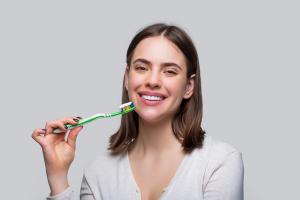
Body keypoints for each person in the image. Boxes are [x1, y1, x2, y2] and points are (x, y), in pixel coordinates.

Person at [32, 23, 244, 200]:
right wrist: (58, 177)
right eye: (142, 68)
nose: (152, 81)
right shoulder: (99, 173)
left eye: (169, 71)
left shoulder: (220, 162)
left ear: (189, 87)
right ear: (127, 78)